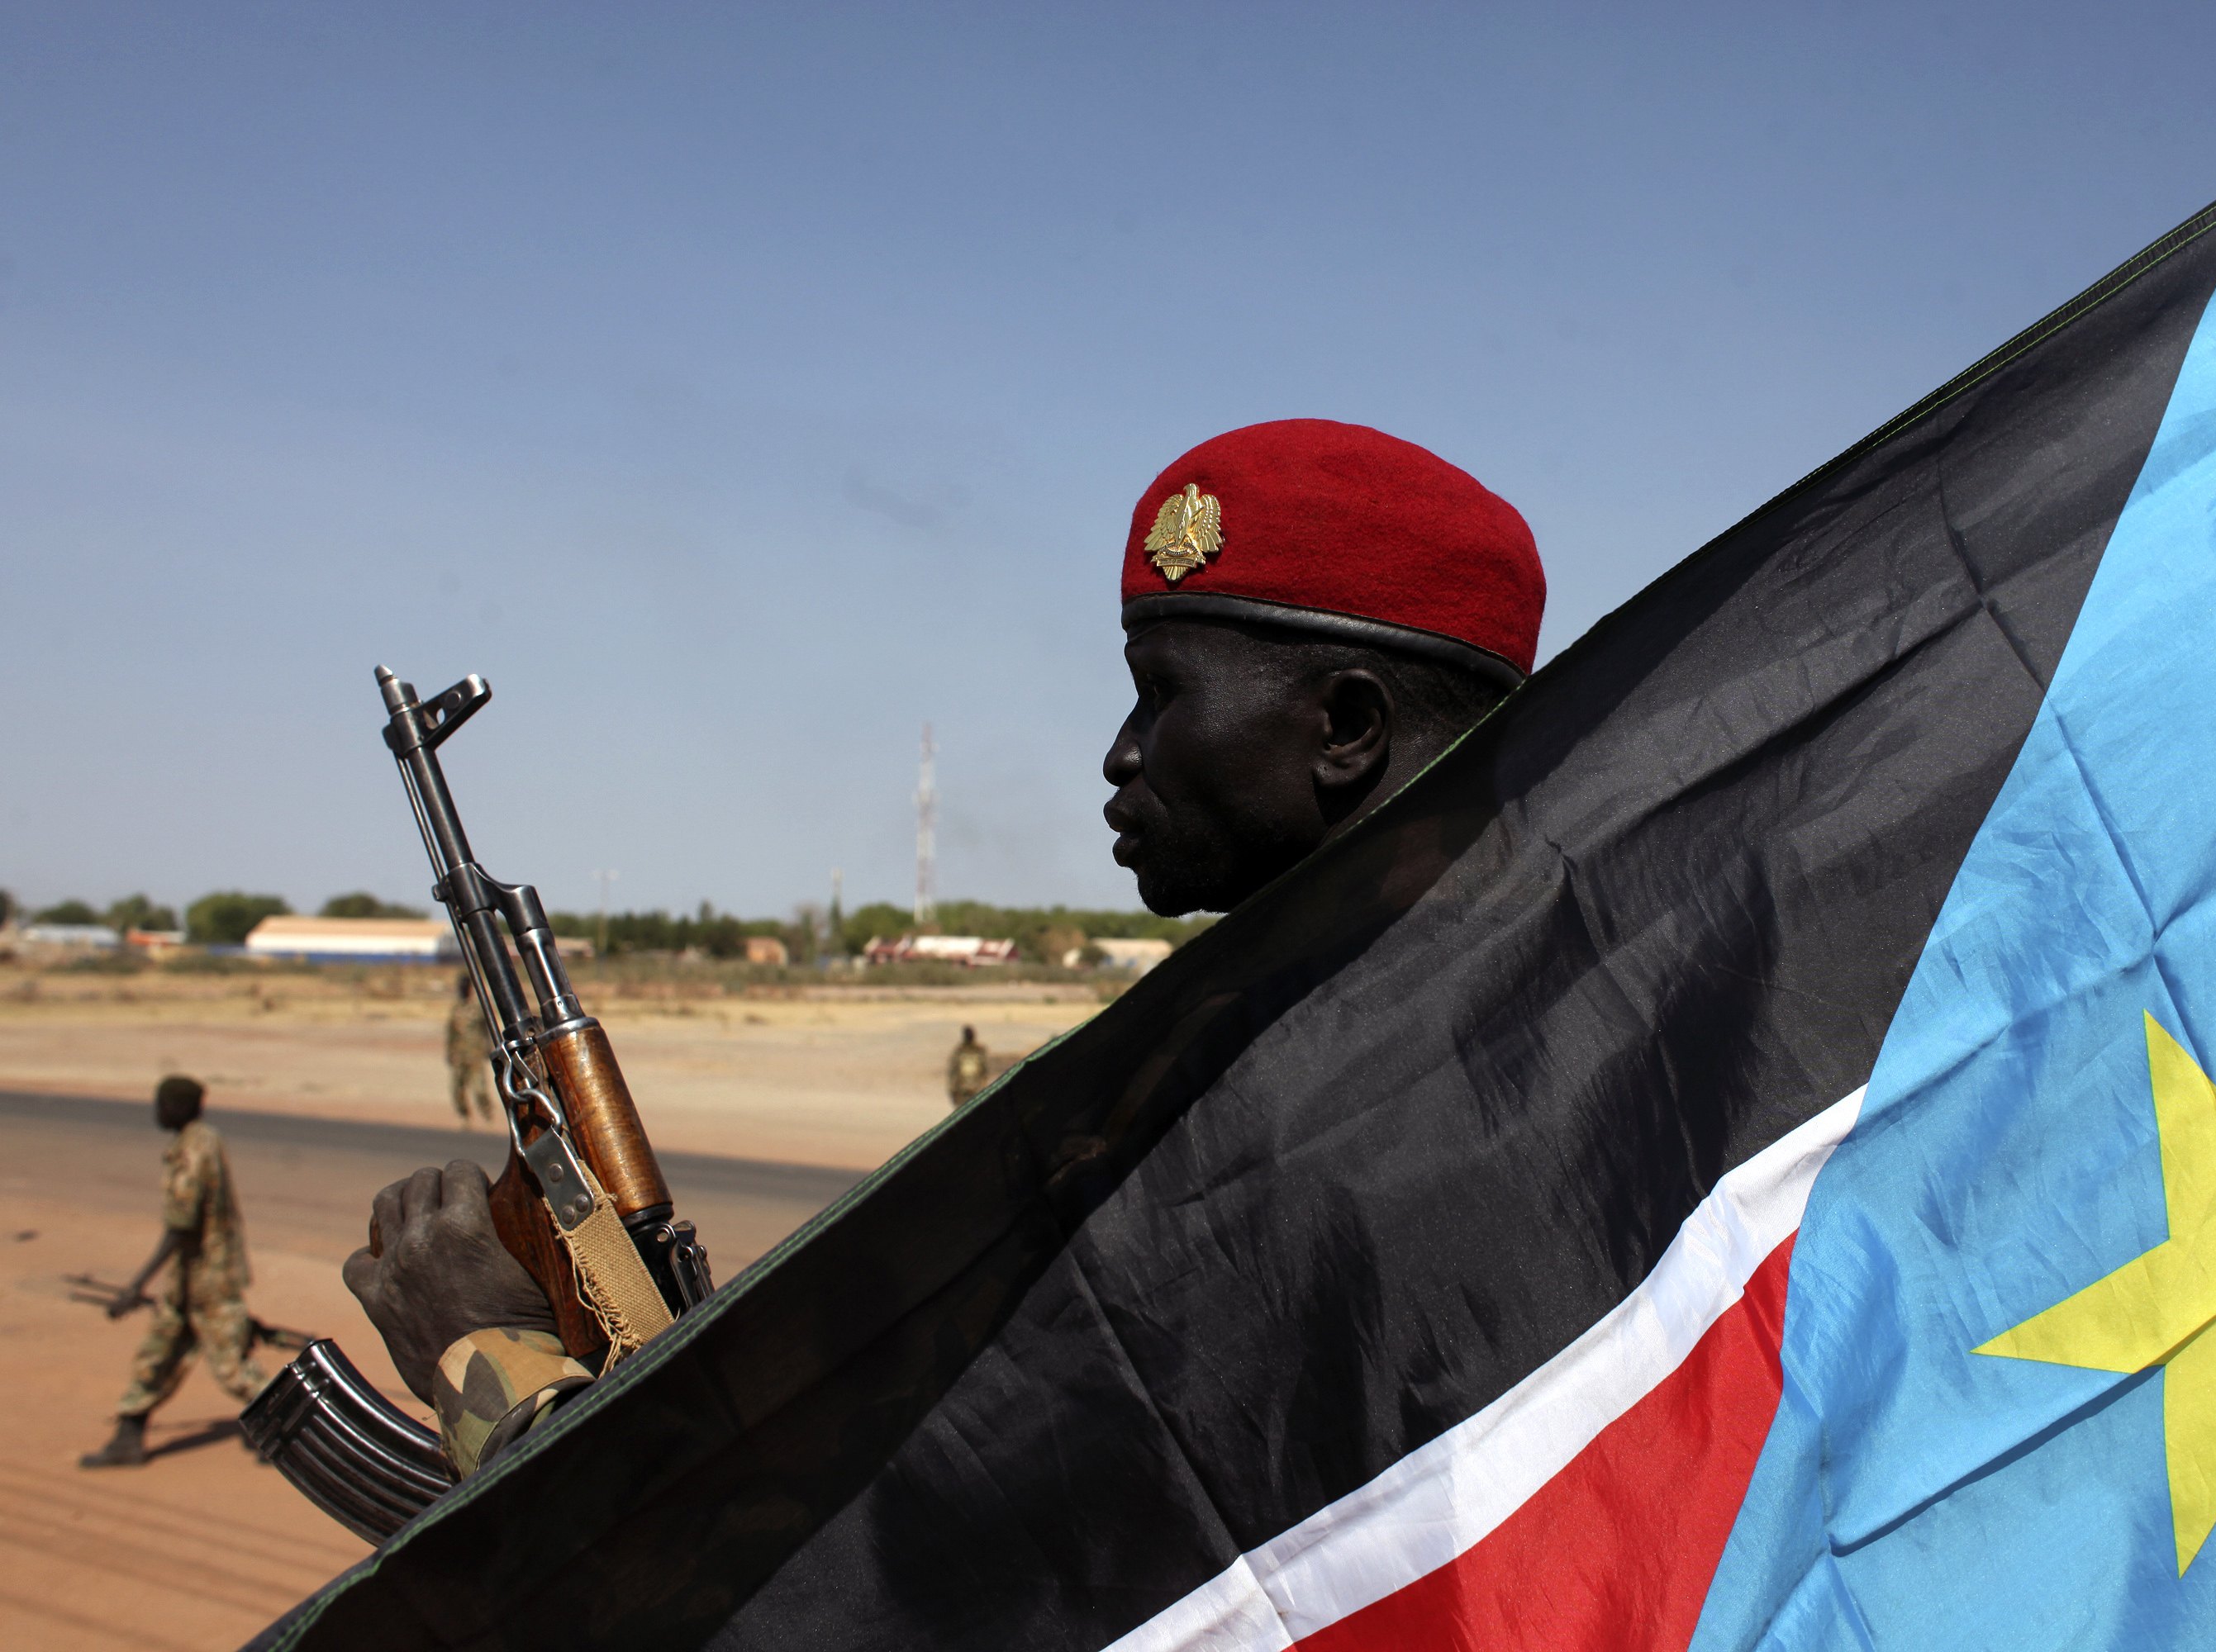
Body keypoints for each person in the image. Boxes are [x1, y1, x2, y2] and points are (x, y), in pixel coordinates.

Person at [342, 418, 1548, 1479]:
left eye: (1160, 693)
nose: (1121, 754)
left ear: (1343, 728)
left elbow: (885, 1602)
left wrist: (493, 1368)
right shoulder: (1526, 1028)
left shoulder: (1275, 1151)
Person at [80, 1075, 272, 1468]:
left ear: (181, 1107)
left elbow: (181, 1225)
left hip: (207, 1280)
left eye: (163, 1104)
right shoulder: (204, 1140)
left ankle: (294, 1431)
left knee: (233, 1367)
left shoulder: (192, 1150)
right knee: (157, 1357)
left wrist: (136, 1286)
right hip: (191, 1280)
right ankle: (127, 1437)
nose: (158, 1111)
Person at [446, 974, 491, 1128]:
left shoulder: (477, 1010)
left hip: (475, 1055)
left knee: (480, 1089)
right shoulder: (455, 1010)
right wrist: (449, 1052)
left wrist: (488, 1047)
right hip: (460, 1056)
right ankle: (465, 1117)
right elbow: (451, 1033)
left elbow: (486, 1030)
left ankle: (487, 1117)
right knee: (457, 1090)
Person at [946, 1025, 990, 1109]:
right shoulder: (976, 1051)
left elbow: (953, 1072)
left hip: (969, 1091)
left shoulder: (961, 1051)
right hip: (969, 1091)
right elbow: (984, 1072)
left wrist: (952, 1090)